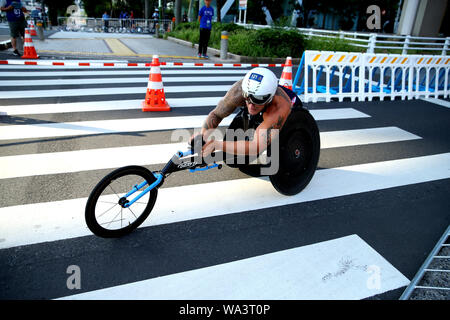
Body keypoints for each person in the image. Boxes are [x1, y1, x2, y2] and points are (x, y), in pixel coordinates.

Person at [192, 68, 304, 170]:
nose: (251, 105)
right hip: (264, 103)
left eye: (258, 100)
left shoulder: (279, 107)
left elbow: (256, 147)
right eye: (247, 98)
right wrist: (203, 136)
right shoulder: (239, 90)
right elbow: (216, 114)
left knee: (272, 137)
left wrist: (217, 144)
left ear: (269, 98)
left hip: (289, 110)